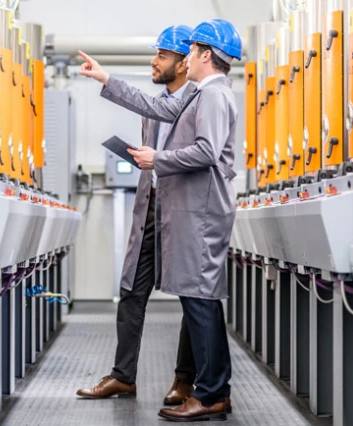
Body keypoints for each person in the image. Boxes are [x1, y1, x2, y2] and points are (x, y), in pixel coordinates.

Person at [78, 19, 241, 422]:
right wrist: (106, 78)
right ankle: (208, 390)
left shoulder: (215, 97)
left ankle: (211, 392)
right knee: (197, 298)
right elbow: (154, 106)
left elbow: (206, 151)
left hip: (200, 213)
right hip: (189, 211)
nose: (185, 57)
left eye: (190, 51)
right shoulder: (198, 95)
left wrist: (159, 160)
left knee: (201, 301)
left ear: (204, 55)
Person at [76, 25, 200, 406]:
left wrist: (106, 78)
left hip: (182, 212)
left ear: (183, 64)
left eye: (162, 55)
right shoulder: (160, 103)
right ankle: (122, 375)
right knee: (131, 290)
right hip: (149, 207)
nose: (154, 60)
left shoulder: (198, 101)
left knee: (190, 298)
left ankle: (184, 381)